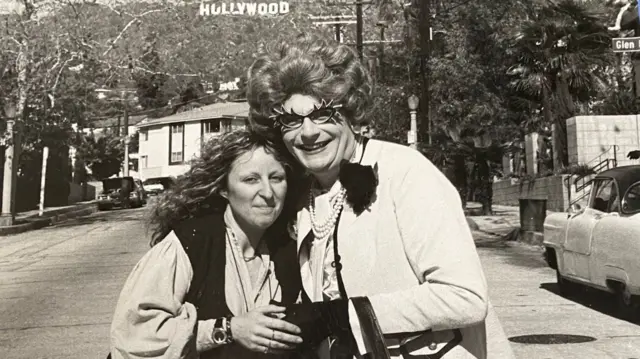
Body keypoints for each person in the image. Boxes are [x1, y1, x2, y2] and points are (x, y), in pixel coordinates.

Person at [246, 33, 515, 358]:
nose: (308, 132)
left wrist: (340, 317)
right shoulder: (302, 195)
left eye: (322, 114)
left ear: (349, 112)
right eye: (291, 120)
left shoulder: (404, 172)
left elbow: (465, 296)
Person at [109, 130, 305, 359]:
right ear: (223, 189)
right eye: (251, 179)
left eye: (276, 178)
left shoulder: (290, 252)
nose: (268, 193)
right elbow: (134, 336)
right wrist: (228, 330)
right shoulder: (190, 243)